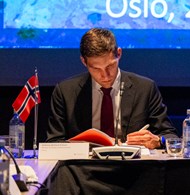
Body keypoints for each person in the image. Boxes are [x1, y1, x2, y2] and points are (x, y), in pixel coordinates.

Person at [46, 28, 177, 149]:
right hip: (84, 169)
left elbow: (171, 137)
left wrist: (159, 140)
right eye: (96, 69)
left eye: (110, 66)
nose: (105, 76)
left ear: (119, 54)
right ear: (84, 62)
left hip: (133, 167)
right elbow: (53, 143)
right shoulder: (65, 91)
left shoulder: (145, 88)